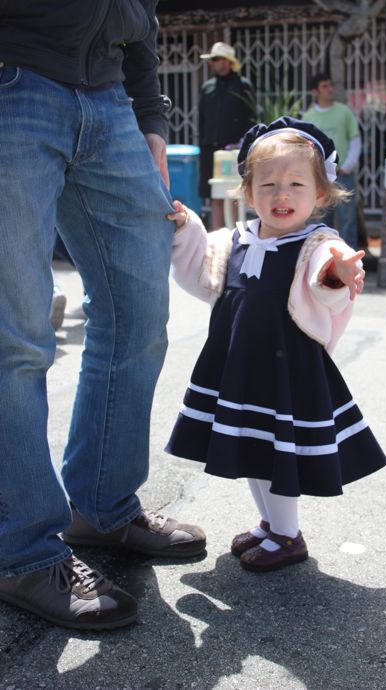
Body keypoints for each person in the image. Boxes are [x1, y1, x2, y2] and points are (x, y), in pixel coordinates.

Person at [0, 1, 206, 631]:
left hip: (110, 99)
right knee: (18, 337)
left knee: (138, 316)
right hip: (13, 80)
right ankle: (22, 551)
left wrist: (150, 120)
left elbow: (140, 22)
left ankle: (102, 506)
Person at [165, 116, 386, 573]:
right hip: (239, 364)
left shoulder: (317, 242)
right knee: (252, 445)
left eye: (295, 184)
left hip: (288, 369)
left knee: (278, 450)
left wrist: (340, 272)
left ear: (320, 194)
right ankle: (270, 524)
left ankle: (288, 535)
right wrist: (185, 226)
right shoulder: (236, 239)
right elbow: (201, 271)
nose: (280, 194)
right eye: (267, 184)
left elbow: (324, 272)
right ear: (248, 193)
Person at [198, 41, 256, 230]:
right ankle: (216, 237)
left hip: (233, 150)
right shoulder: (207, 87)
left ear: (230, 62)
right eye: (215, 59)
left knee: (232, 192)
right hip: (210, 150)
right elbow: (202, 120)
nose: (219, 63)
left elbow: (252, 118)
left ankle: (234, 235)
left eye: (223, 59)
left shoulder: (243, 85)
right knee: (214, 193)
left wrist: (244, 147)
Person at [303, 73, 361, 249]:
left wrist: (348, 166)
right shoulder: (308, 117)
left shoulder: (344, 111)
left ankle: (350, 255)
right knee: (321, 217)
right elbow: (305, 147)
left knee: (348, 218)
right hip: (320, 176)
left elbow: (355, 140)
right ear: (315, 91)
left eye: (330, 85)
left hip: (342, 173)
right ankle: (324, 255)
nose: (330, 89)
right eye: (324, 86)